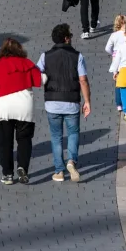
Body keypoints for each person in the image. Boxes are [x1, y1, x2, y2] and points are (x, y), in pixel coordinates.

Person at [36, 24, 91, 182]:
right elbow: (83, 80)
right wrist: (87, 101)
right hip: (71, 102)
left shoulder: (45, 56)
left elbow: (36, 74)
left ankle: (59, 171)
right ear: (66, 38)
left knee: (56, 137)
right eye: (71, 35)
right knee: (73, 133)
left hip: (52, 102)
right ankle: (71, 161)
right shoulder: (77, 56)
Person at [0, 38, 42, 186]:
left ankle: (7, 174)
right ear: (20, 50)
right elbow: (42, 80)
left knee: (5, 143)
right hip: (25, 107)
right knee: (24, 140)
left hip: (3, 108)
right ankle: (22, 167)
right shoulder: (27, 64)